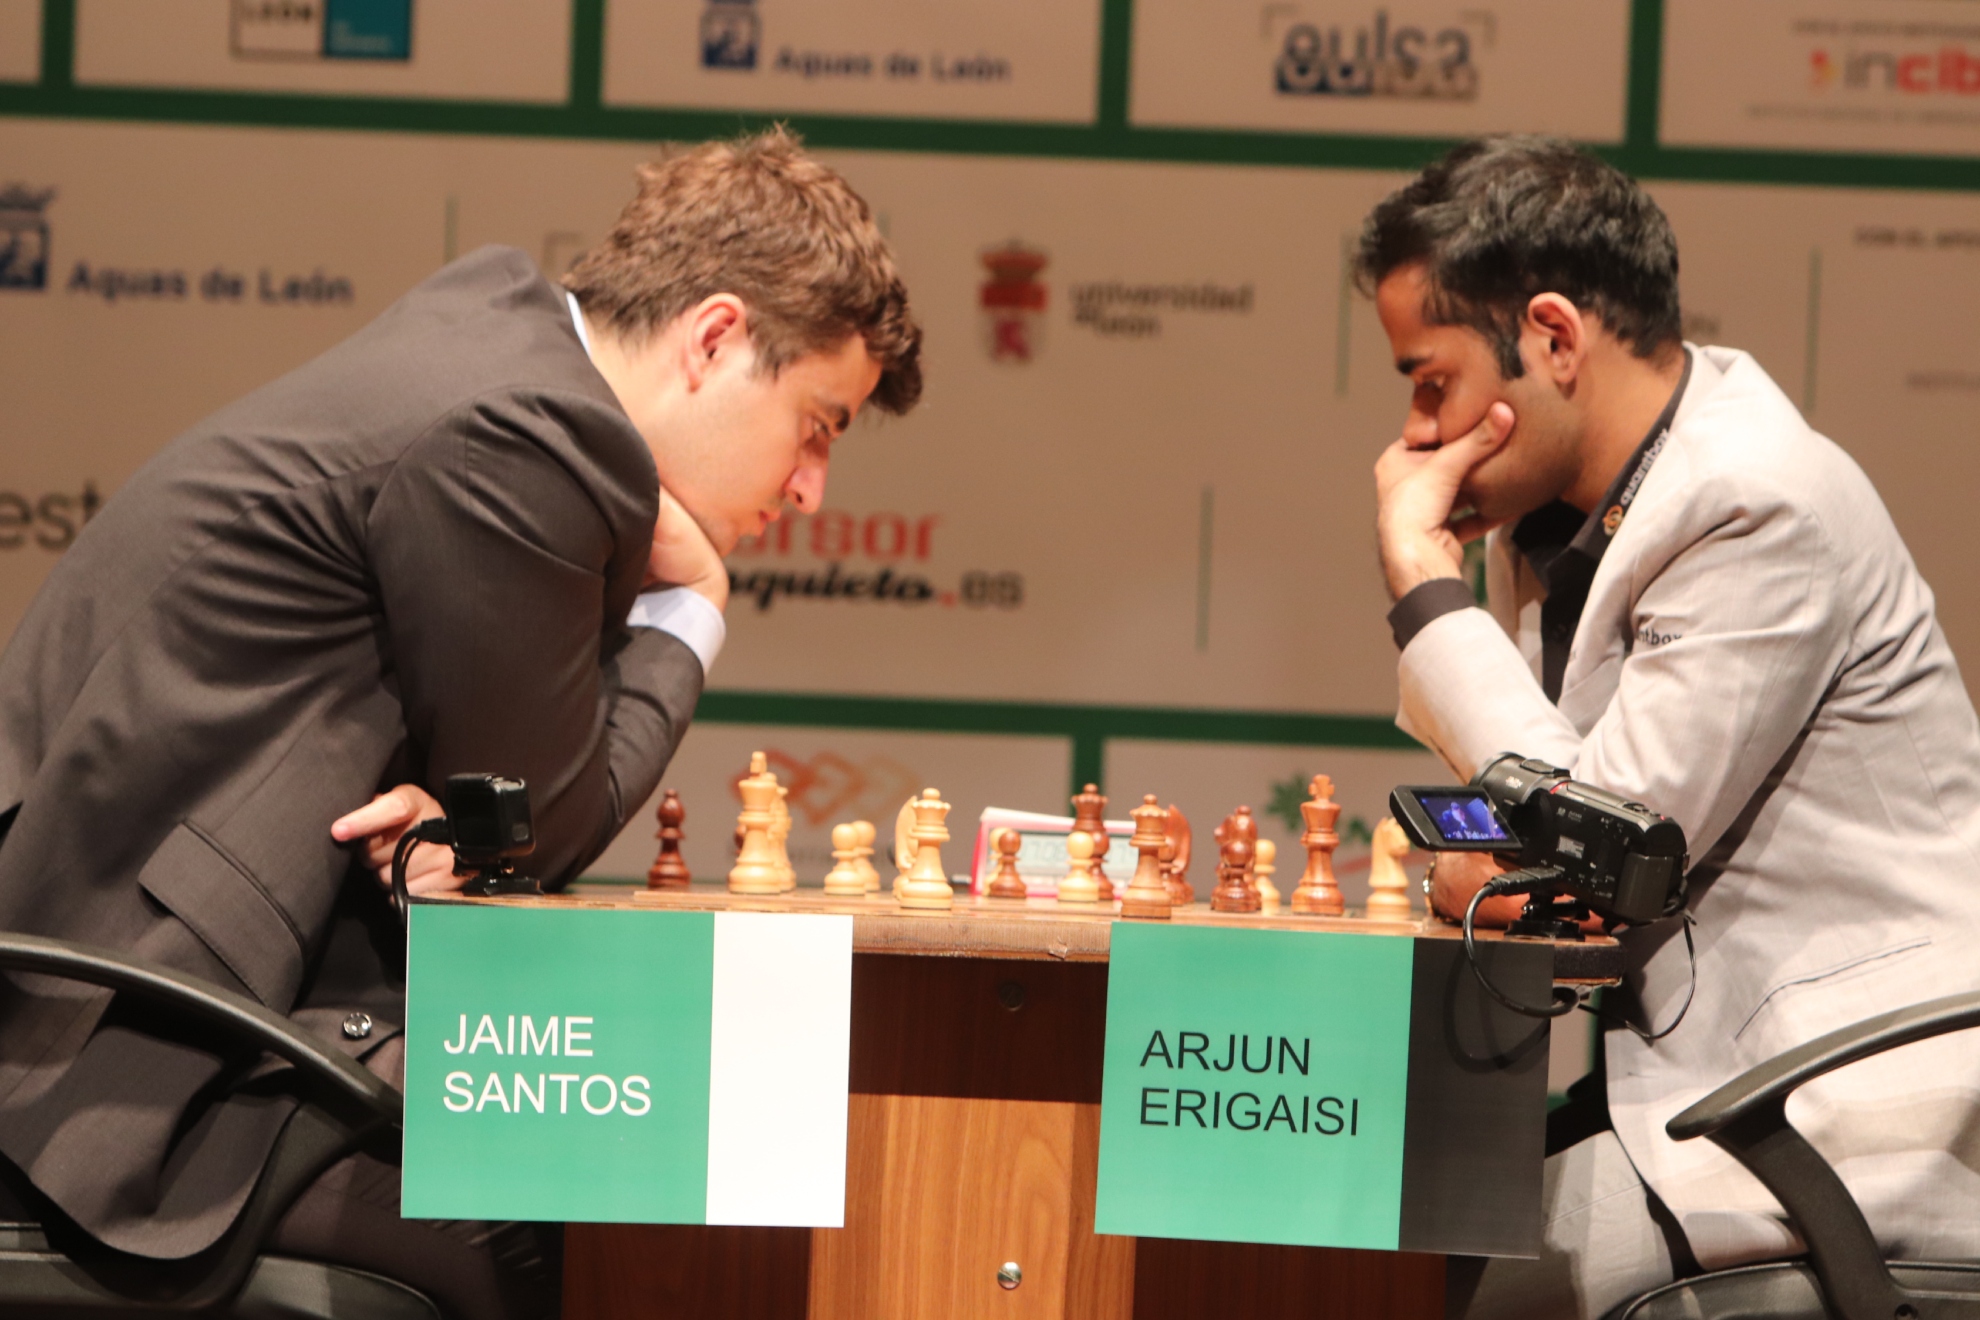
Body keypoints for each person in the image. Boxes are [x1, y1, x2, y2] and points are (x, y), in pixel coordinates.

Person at [0, 127, 920, 1319]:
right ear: (715, 338)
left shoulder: (500, 345)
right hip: (112, 1057)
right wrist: (692, 608)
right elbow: (533, 834)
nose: (811, 488)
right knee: (548, 1214)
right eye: (819, 423)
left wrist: (477, 821)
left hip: (136, 985)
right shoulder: (530, 431)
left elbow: (494, 822)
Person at [1358, 136, 1980, 1320]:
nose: (1415, 436)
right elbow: (1555, 835)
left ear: (1550, 337)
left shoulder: (1756, 500)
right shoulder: (1583, 525)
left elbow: (1594, 863)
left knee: (1437, 1280)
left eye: (1429, 379)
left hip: (1846, 1114)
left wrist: (1421, 586)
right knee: (1380, 1232)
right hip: (1707, 1082)